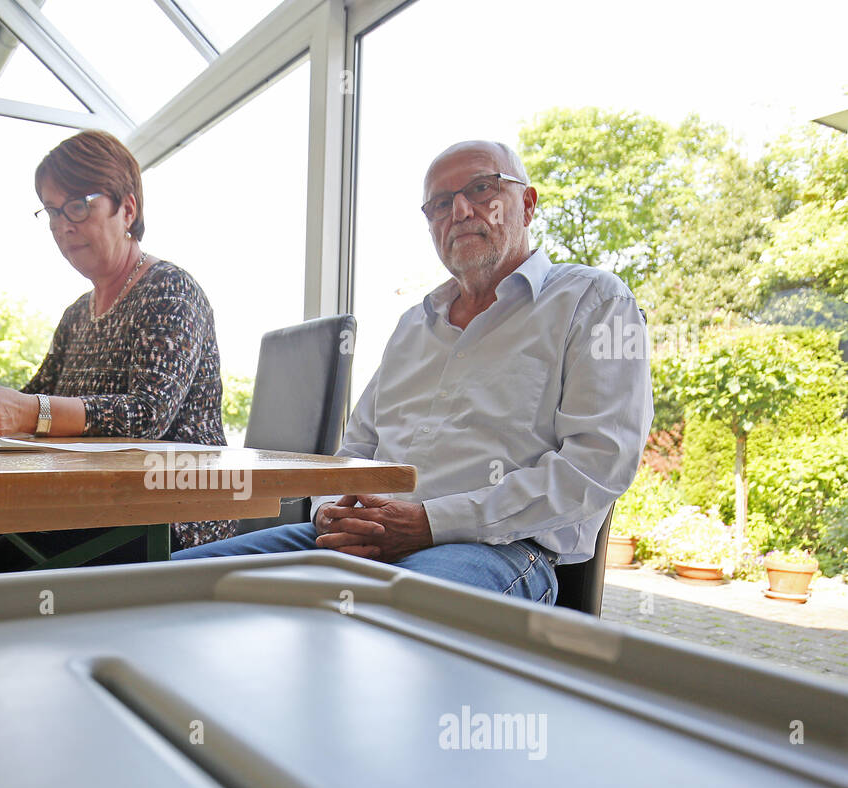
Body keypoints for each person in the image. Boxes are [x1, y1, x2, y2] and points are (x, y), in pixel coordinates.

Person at [174, 139, 653, 605]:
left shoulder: (594, 300)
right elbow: (354, 452)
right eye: (440, 204)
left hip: (494, 548)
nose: (460, 211)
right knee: (164, 583)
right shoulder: (412, 326)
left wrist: (429, 523)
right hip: (359, 536)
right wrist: (330, 513)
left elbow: (599, 463)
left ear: (527, 205)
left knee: (379, 626)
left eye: (482, 189)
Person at [0, 130, 234, 575]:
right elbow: (34, 396)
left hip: (172, 511)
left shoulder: (170, 291)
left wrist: (28, 411)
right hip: (97, 500)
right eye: (52, 210)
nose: (63, 225)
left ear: (127, 209)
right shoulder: (78, 314)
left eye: (78, 206)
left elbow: (147, 415)